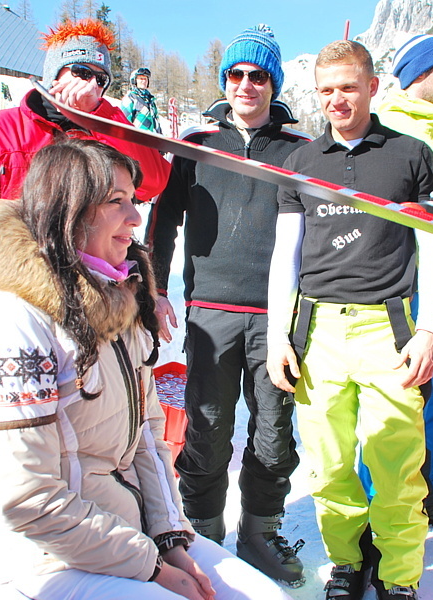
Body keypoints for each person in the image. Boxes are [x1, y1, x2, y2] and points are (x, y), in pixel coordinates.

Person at [0, 139, 292, 600]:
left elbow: (149, 438)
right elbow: (27, 501)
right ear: (67, 210)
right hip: (37, 560)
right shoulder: (10, 322)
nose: (136, 219)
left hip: (126, 536)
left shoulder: (117, 298)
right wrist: (151, 568)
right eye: (117, 202)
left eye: (134, 201)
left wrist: (170, 539)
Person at [266, 40, 433, 600]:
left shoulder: (411, 155)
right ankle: (346, 563)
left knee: (396, 463)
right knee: (329, 465)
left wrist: (430, 328)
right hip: (317, 330)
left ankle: (398, 576)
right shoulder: (301, 162)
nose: (337, 100)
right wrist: (278, 333)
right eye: (326, 90)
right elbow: (286, 254)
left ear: (372, 86)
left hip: (388, 328)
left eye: (348, 87)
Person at [145, 24, 310, 586]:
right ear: (225, 81)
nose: (246, 84)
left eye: (258, 76)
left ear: (273, 84)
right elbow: (163, 220)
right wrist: (155, 286)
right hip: (210, 312)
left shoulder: (300, 151)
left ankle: (260, 532)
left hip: (276, 316)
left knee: (273, 429)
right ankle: (205, 530)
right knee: (208, 427)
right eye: (236, 74)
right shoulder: (197, 146)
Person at [0, 19, 170, 317]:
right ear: (54, 75)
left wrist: (103, 120)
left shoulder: (107, 128)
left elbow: (154, 181)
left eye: (101, 80)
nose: (91, 86)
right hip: (21, 297)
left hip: (95, 300)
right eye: (82, 73)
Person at [374, 34, 433, 532]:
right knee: (397, 413)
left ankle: (425, 494)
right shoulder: (390, 130)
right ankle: (383, 516)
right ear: (417, 73)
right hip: (411, 298)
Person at [122, 67, 162, 133]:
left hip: (153, 139)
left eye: (145, 79)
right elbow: (125, 122)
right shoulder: (130, 98)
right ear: (134, 81)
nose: (144, 81)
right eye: (141, 78)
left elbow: (156, 122)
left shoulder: (150, 101)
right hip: (137, 138)